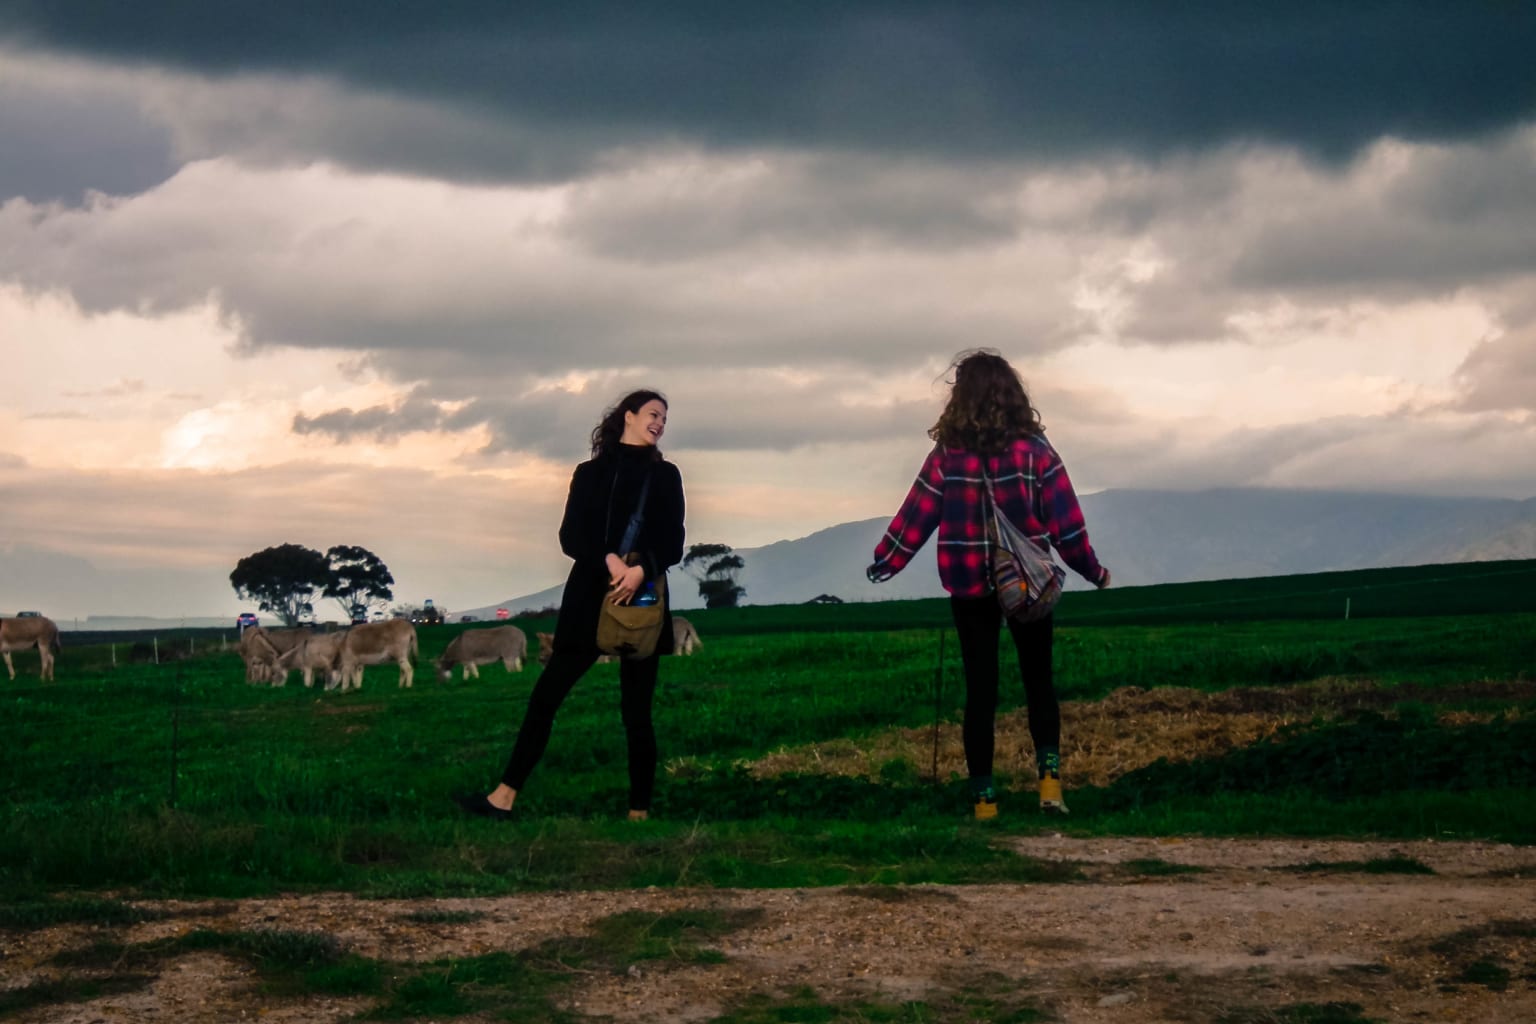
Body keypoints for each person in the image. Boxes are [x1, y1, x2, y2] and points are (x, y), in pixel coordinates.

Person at [866, 350, 1110, 819]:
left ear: (960, 398)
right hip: (1029, 584)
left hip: (968, 584)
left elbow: (916, 516)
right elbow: (1067, 526)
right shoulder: (1037, 453)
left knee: (981, 690)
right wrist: (1093, 571)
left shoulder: (946, 458)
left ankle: (984, 802)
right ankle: (1050, 789)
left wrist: (885, 562)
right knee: (1039, 682)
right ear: (1013, 393)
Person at [457, 390, 685, 821]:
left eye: (665, 418)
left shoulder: (667, 475)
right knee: (545, 699)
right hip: (587, 598)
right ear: (629, 416)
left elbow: (673, 541)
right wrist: (609, 557)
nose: (660, 423)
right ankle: (503, 798)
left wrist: (641, 569)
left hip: (643, 593)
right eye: (654, 414)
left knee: (637, 709)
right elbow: (570, 537)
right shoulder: (589, 473)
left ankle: (640, 811)